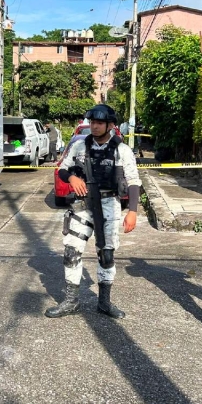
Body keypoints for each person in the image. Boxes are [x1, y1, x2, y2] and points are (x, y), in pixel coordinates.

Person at [45, 104, 141, 319]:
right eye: (92, 122)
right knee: (71, 252)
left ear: (110, 125)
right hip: (82, 204)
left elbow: (134, 181)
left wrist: (132, 211)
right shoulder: (79, 146)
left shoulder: (122, 150)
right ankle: (71, 301)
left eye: (99, 123)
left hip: (109, 205)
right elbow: (62, 169)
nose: (94, 126)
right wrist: (71, 177)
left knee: (106, 255)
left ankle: (104, 303)